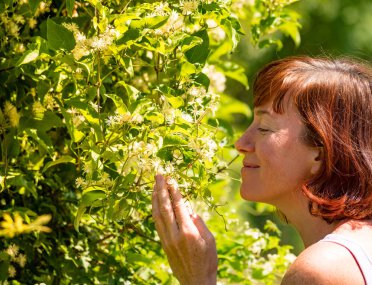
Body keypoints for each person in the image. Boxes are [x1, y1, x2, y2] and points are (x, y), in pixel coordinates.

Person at [152, 56, 372, 285]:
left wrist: (198, 278)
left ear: (320, 153)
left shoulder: (320, 270)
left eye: (265, 129)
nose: (241, 143)